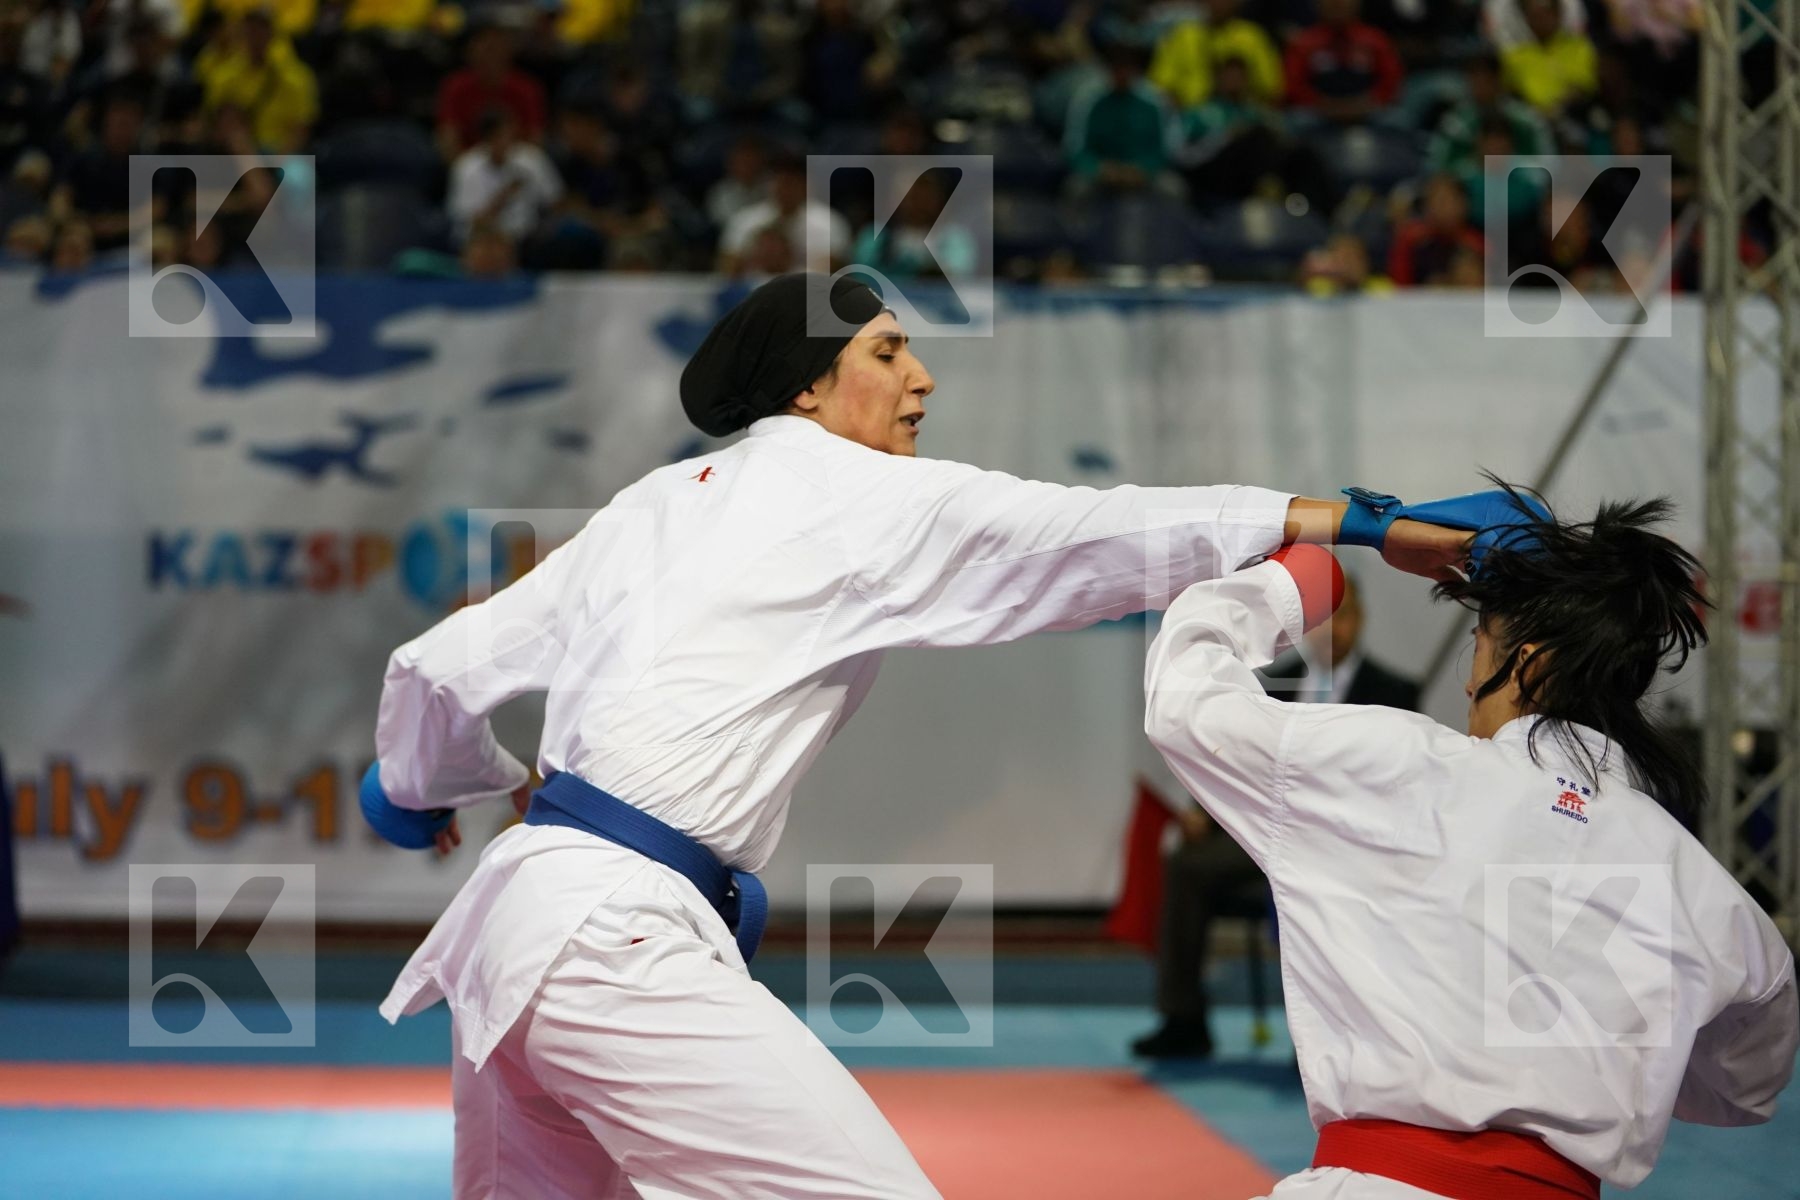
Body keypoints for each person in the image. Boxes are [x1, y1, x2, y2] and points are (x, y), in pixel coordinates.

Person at [363, 272, 1474, 1200]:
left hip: (512, 936)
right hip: (611, 946)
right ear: (810, 385)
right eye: (889, 352)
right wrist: (1353, 524)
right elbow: (1095, 531)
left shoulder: (652, 503)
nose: (922, 378)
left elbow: (433, 670)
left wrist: (426, 790)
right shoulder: (849, 491)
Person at [1144, 487, 1797, 1198]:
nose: (1466, 684)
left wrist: (1285, 587)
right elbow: (1745, 1088)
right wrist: (1614, 1054)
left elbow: (1184, 703)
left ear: (1530, 663)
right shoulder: (1699, 884)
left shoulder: (1401, 768)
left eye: (1480, 647)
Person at [1134, 571, 1419, 1059]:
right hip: (1265, 833)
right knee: (1185, 863)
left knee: (1335, 880)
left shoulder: (1393, 692)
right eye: (1322, 619)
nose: (1331, 630)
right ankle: (1183, 1019)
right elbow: (1231, 756)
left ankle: (1328, 1039)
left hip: (1341, 840)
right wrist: (1201, 809)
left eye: (1342, 617)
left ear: (1360, 620)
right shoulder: (1268, 684)